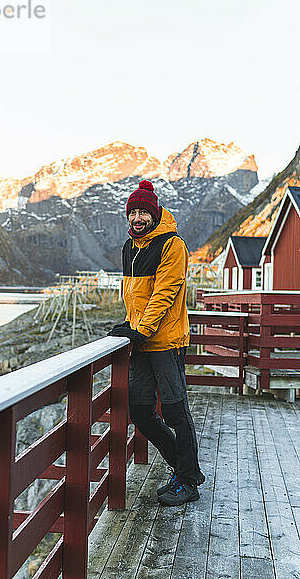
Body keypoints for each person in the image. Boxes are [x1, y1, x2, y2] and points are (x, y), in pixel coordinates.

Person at [108, 179, 204, 506]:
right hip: (141, 341)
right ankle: (185, 470)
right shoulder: (129, 248)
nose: (137, 218)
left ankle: (188, 482)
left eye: (142, 213)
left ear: (154, 213)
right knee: (140, 411)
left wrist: (141, 330)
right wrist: (130, 324)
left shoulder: (171, 245)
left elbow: (165, 293)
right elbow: (135, 294)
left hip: (165, 342)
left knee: (176, 411)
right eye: (132, 212)